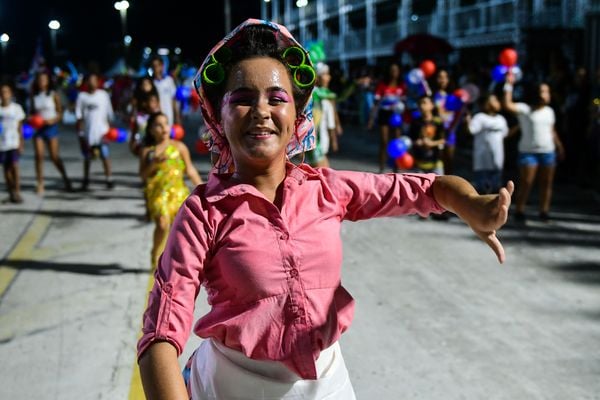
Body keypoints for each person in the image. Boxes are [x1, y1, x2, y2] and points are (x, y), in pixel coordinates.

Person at [137, 19, 514, 400]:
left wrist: (473, 206)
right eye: (243, 98)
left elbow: (428, 188)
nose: (261, 110)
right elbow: (159, 337)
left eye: (277, 97)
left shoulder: (327, 189)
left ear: (298, 115)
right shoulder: (203, 213)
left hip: (327, 385)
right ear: (218, 115)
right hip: (233, 386)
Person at [139, 111, 203, 269]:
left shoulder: (179, 147)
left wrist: (202, 188)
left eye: (165, 123)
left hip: (178, 192)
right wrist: (153, 163)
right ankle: (155, 252)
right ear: (151, 130)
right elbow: (143, 175)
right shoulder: (148, 151)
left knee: (180, 229)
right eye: (158, 125)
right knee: (162, 224)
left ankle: (175, 260)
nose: (163, 128)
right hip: (158, 194)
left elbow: (190, 170)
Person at [503, 73, 565, 222]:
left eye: (547, 92)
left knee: (546, 183)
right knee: (527, 182)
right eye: (542, 91)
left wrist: (559, 146)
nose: (545, 94)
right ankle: (519, 210)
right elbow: (507, 104)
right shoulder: (525, 109)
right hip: (528, 153)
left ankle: (544, 211)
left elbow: (552, 131)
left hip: (548, 152)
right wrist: (508, 84)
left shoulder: (550, 112)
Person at [29, 70, 72, 194]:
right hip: (38, 129)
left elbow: (60, 112)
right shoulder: (34, 95)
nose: (42, 82)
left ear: (48, 82)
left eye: (44, 79)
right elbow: (31, 112)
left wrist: (52, 120)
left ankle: (65, 179)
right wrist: (32, 119)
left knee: (54, 156)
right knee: (39, 156)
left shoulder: (53, 95)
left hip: (51, 127)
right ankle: (40, 183)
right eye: (40, 80)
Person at [75, 73, 115, 190]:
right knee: (88, 157)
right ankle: (86, 179)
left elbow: (109, 114)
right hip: (88, 133)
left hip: (102, 132)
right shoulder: (82, 97)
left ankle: (109, 178)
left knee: (105, 155)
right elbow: (79, 116)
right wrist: (81, 134)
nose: (92, 83)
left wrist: (109, 131)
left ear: (98, 82)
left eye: (94, 80)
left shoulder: (103, 95)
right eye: (90, 80)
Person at [466, 93, 509, 194]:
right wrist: (467, 121)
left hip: (497, 162)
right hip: (482, 162)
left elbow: (505, 134)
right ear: (485, 104)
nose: (497, 103)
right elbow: (471, 130)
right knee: (482, 190)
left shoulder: (501, 119)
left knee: (496, 189)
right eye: (493, 100)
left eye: (497, 100)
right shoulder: (480, 117)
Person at [367, 63, 406, 173]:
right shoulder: (382, 85)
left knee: (397, 141)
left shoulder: (402, 85)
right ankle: (382, 168)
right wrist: (371, 120)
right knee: (384, 142)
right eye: (392, 70)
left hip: (397, 116)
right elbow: (376, 103)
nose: (394, 73)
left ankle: (396, 168)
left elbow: (405, 101)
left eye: (396, 70)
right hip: (384, 115)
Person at [305, 62, 342, 167]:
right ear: (317, 77)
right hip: (314, 141)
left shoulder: (325, 94)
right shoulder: (315, 93)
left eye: (328, 74)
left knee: (315, 173)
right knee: (325, 170)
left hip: (321, 138)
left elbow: (332, 112)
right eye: (325, 74)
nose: (328, 77)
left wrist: (334, 134)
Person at [0, 82, 26, 203]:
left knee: (15, 166)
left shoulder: (16, 108)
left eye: (6, 91)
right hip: (2, 143)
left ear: (10, 93)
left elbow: (20, 127)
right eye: (2, 92)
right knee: (6, 169)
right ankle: (11, 191)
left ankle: (17, 190)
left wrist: (21, 142)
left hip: (14, 142)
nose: (4, 94)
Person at [410, 95, 446, 175]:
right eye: (420, 103)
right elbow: (410, 140)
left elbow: (444, 140)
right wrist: (417, 142)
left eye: (424, 103)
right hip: (419, 163)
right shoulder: (415, 122)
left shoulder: (438, 122)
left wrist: (432, 143)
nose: (421, 105)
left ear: (432, 105)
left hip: (436, 163)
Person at [150, 56, 180, 127]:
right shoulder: (150, 83)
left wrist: (177, 116)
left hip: (169, 116)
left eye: (157, 65)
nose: (155, 68)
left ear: (162, 66)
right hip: (155, 117)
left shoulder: (169, 80)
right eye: (154, 66)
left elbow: (174, 100)